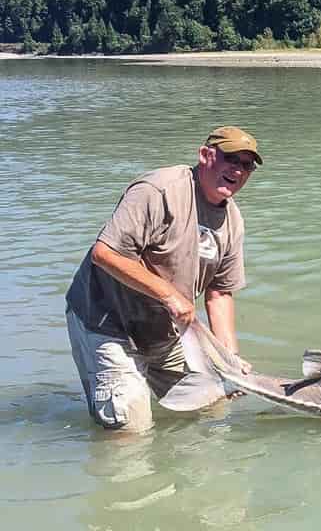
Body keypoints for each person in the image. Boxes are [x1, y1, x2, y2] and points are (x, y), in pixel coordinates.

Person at [64, 126, 262, 432]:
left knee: (213, 406)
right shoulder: (159, 191)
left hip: (163, 331)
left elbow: (219, 293)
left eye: (247, 164)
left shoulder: (232, 221)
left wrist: (230, 361)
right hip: (107, 323)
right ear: (206, 155)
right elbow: (104, 253)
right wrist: (168, 294)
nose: (238, 169)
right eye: (231, 158)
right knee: (130, 430)